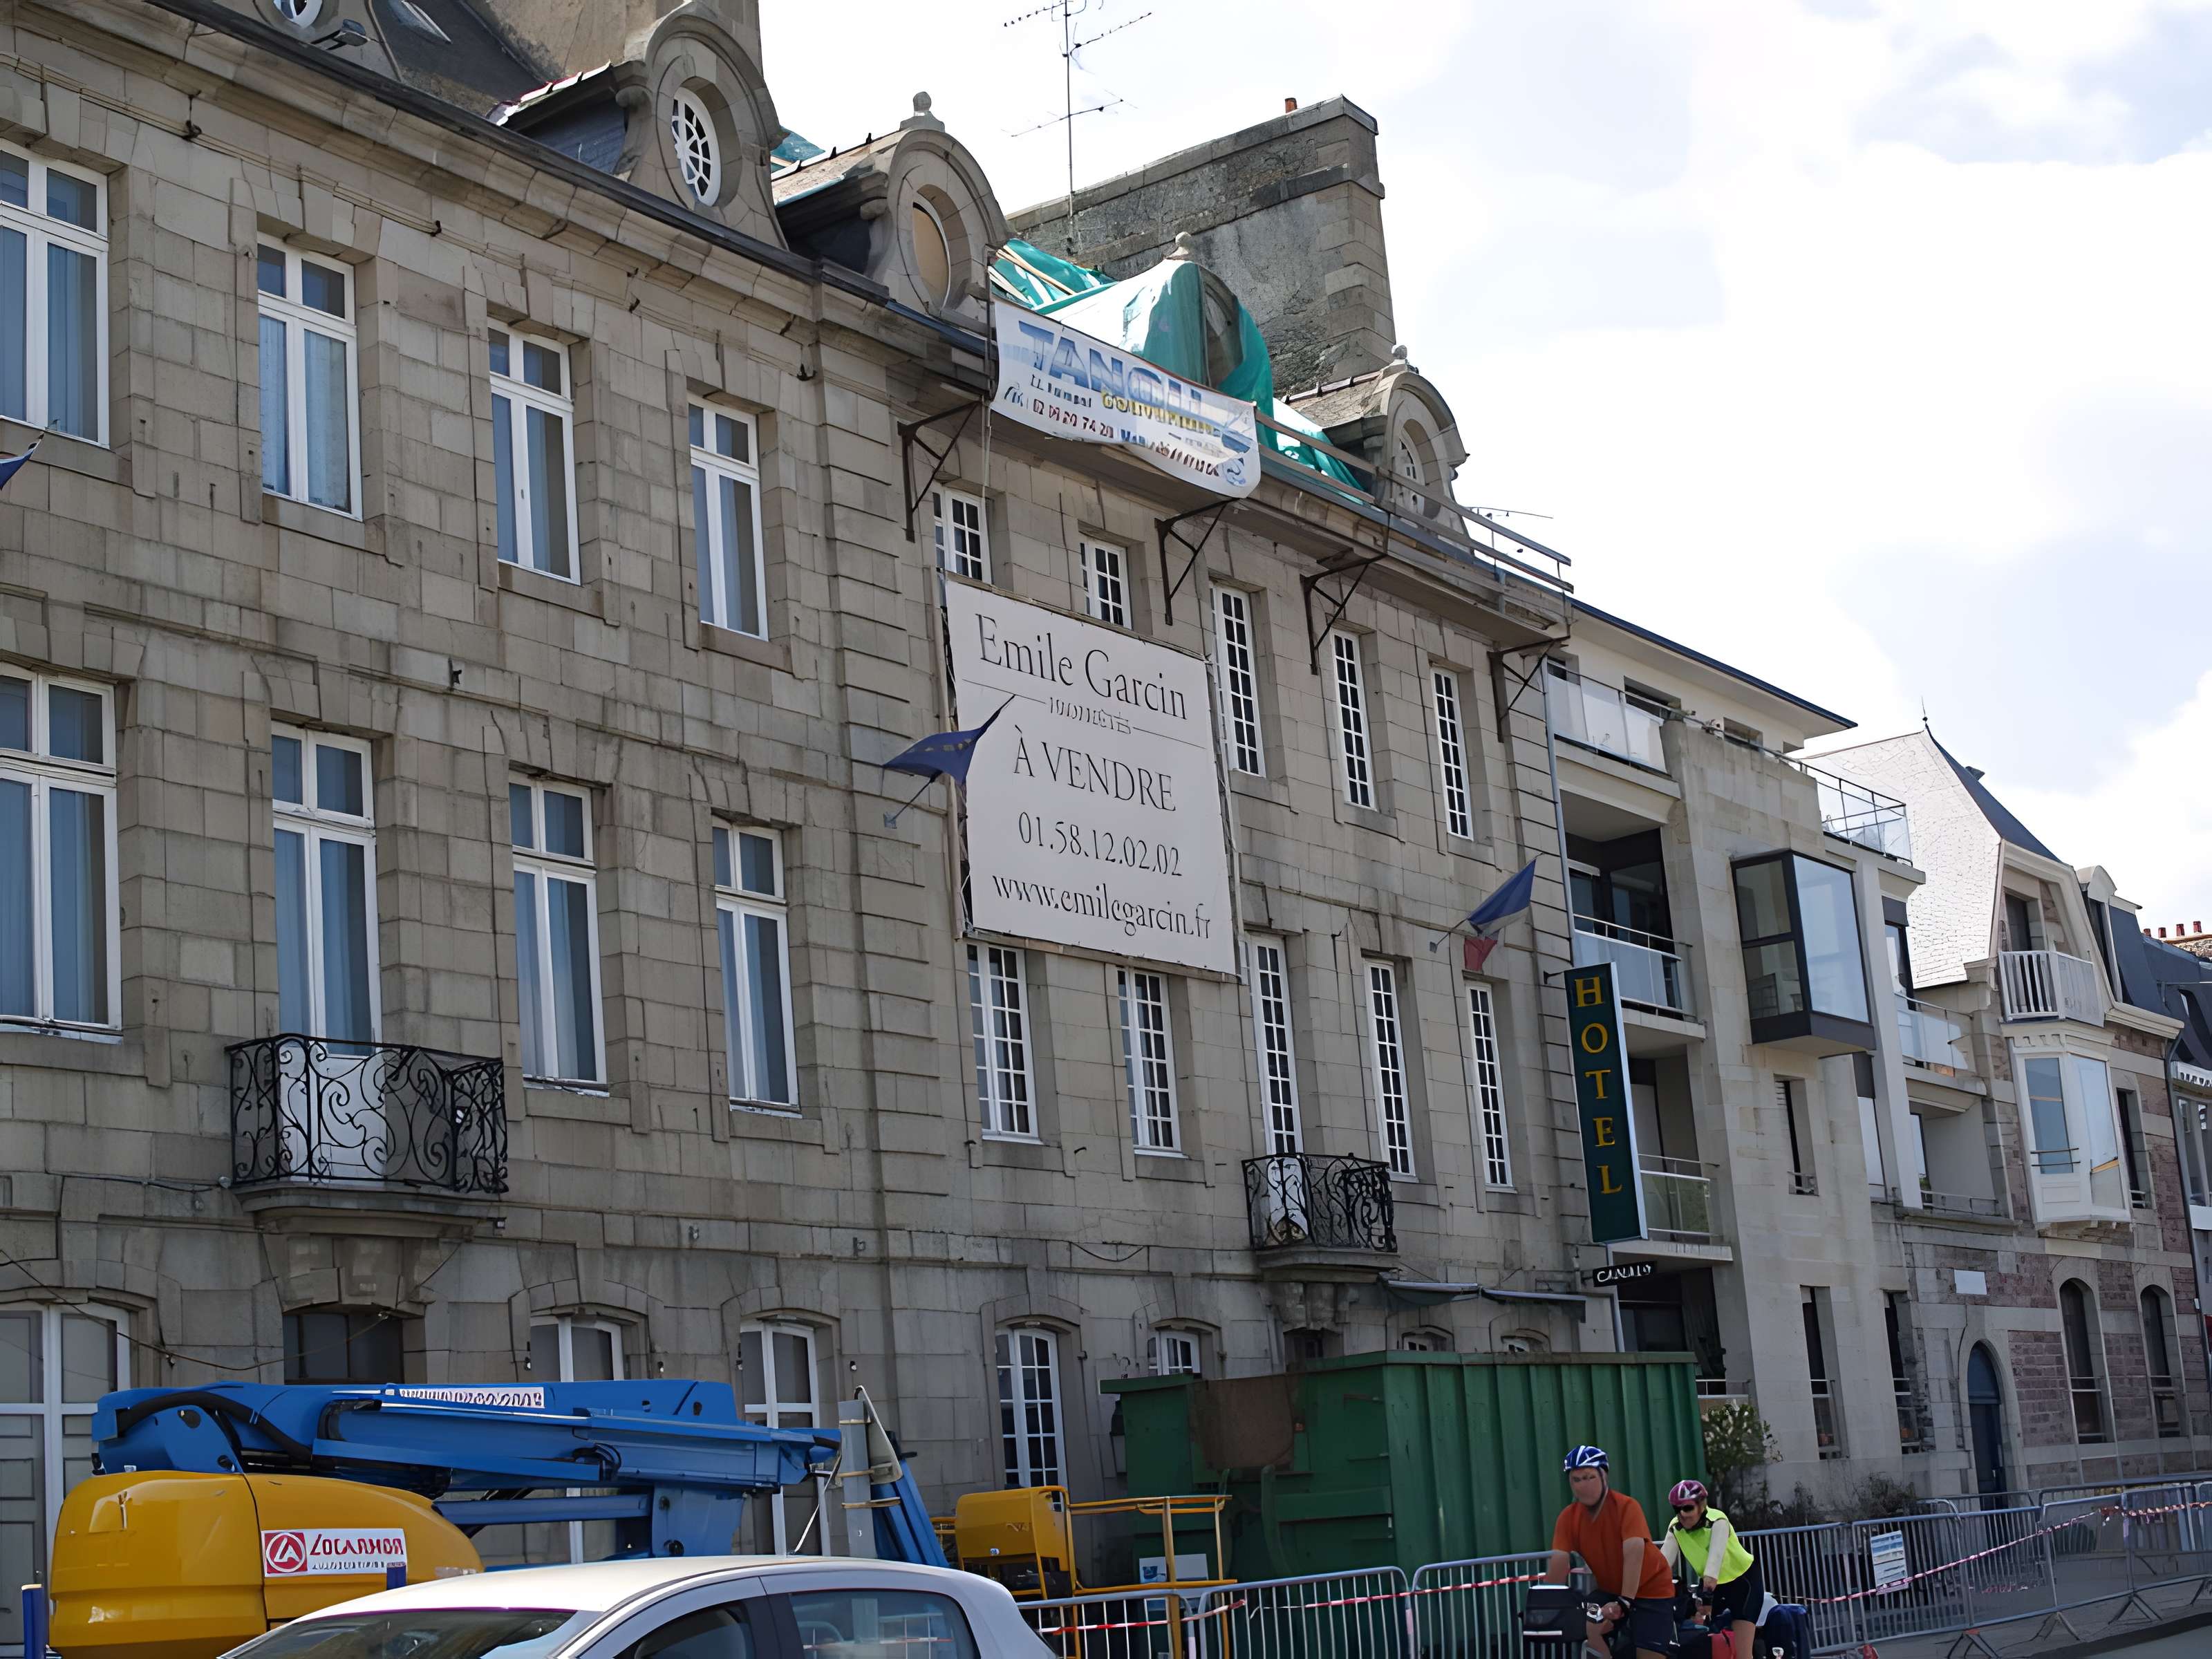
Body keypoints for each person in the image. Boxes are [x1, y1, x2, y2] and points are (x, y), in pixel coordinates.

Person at [1548, 1444, 1676, 1659]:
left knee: (1649, 1654)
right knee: (1587, 1621)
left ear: (1604, 1476)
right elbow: (1559, 1563)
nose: (1583, 1486)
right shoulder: (1568, 1518)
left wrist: (1625, 1601)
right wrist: (1547, 1602)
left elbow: (1634, 1552)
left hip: (1651, 1589)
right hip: (1610, 1590)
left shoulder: (1626, 1507)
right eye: (1576, 1480)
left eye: (1589, 1477)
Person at [1661, 1479, 1765, 1659]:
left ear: (1701, 1506)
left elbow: (1714, 1561)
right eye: (1677, 1509)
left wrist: (1706, 1596)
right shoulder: (1676, 1527)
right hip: (1714, 1586)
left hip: (1743, 1582)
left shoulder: (1718, 1521)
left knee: (1743, 1654)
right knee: (1705, 1644)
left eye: (1688, 1508)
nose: (1682, 1514)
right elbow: (1661, 1565)